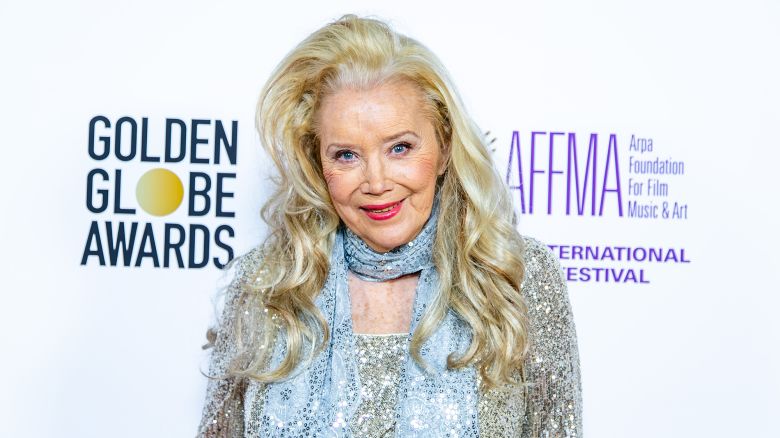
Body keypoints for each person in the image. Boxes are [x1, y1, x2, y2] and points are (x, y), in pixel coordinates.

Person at [197, 13, 582, 438]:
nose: (377, 183)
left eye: (400, 147)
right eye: (346, 155)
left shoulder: (516, 279)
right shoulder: (267, 283)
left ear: (445, 144)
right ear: (316, 162)